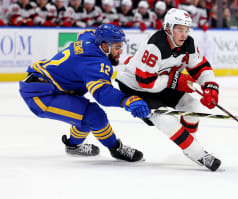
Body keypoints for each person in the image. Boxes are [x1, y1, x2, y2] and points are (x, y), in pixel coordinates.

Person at [19, 24, 150, 162]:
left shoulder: (90, 38)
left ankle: (73, 146)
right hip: (40, 96)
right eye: (117, 47)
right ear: (104, 46)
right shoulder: (96, 63)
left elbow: (85, 32)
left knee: (84, 115)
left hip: (46, 83)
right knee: (94, 115)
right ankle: (116, 149)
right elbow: (102, 93)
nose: (120, 52)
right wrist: (127, 100)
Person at [115, 8, 221, 171]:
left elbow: (201, 67)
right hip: (134, 86)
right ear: (168, 28)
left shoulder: (189, 43)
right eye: (179, 29)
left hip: (161, 82)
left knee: (191, 105)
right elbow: (145, 82)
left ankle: (189, 146)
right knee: (164, 118)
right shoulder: (155, 46)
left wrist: (210, 87)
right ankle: (198, 153)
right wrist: (174, 79)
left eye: (186, 30)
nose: (184, 34)